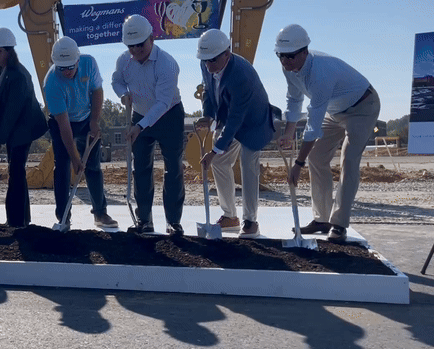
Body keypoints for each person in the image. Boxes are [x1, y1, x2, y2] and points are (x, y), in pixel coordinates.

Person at [274, 24, 380, 243]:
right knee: (317, 157)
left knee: (348, 160)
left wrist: (298, 163)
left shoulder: (321, 74)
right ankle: (322, 219)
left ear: (305, 52)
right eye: (280, 55)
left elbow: (313, 127)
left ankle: (339, 224)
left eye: (290, 56)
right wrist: (288, 132)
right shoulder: (289, 68)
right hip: (334, 110)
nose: (285, 61)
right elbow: (294, 100)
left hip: (362, 106)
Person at [194, 29, 275, 238]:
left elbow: (235, 121)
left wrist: (214, 150)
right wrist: (208, 116)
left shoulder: (242, 75)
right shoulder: (207, 63)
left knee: (248, 166)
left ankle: (250, 221)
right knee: (220, 163)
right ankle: (230, 216)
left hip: (252, 122)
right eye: (204, 61)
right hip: (228, 116)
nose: (208, 65)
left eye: (212, 60)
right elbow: (209, 93)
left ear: (226, 55)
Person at [111, 14, 184, 235]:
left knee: (173, 168)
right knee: (141, 168)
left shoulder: (167, 64)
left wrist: (140, 126)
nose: (136, 50)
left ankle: (173, 221)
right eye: (131, 46)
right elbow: (116, 81)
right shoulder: (124, 60)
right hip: (139, 115)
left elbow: (162, 103)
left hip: (169, 115)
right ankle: (144, 220)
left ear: (152, 38)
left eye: (140, 45)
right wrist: (123, 94)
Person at [44, 36, 118, 230]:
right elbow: (64, 125)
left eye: (70, 66)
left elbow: (97, 91)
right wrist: (75, 159)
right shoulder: (51, 83)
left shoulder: (89, 63)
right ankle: (63, 217)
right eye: (62, 68)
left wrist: (94, 121)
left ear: (78, 60)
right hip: (63, 122)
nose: (67, 72)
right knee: (62, 167)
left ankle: (100, 213)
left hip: (86, 118)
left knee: (93, 166)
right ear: (55, 64)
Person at [0, 27, 48, 227]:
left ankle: (15, 220)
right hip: (12, 129)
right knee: (17, 171)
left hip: (23, 129)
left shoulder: (19, 75)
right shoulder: (0, 72)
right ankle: (22, 218)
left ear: (9, 52)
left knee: (16, 171)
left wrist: (0, 137)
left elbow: (13, 110)